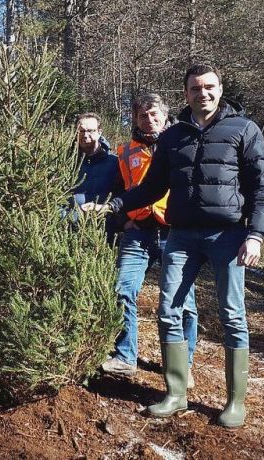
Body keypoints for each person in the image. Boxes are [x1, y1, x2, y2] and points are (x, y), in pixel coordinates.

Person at [87, 65, 264, 427]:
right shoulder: (174, 137)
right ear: (185, 94)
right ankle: (175, 394)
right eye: (194, 88)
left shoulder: (244, 129)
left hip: (229, 236)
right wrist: (115, 205)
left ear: (219, 90)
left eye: (208, 87)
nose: (202, 94)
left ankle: (235, 403)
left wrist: (256, 235)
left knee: (232, 315)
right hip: (182, 235)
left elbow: (263, 188)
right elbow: (152, 187)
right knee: (168, 310)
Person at [100, 94, 198, 387]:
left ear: (165, 117)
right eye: (143, 115)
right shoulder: (125, 152)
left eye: (154, 114)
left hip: (174, 232)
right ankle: (125, 356)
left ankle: (183, 364)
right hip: (137, 231)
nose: (149, 119)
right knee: (123, 290)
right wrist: (122, 220)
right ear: (136, 119)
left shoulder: (182, 144)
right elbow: (115, 191)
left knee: (184, 302)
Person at [65, 113, 121, 241]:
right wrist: (69, 217)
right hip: (69, 230)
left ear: (99, 132)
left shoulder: (115, 162)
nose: (85, 135)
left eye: (90, 130)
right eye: (81, 131)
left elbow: (122, 196)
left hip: (106, 232)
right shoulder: (65, 163)